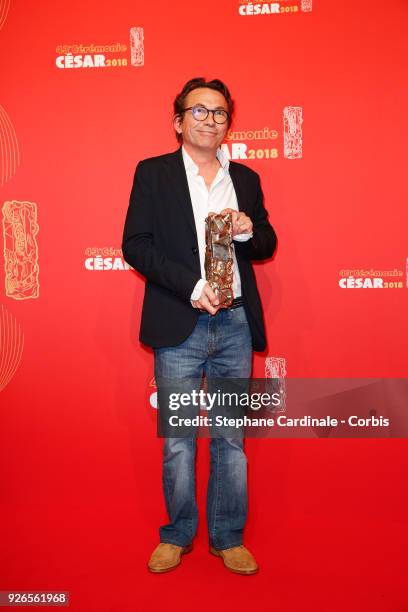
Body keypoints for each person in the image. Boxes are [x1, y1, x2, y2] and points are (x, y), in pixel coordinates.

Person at [122, 77, 277, 575]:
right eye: (199, 110)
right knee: (179, 438)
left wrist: (247, 227)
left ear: (229, 122)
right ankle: (178, 535)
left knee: (232, 437)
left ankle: (228, 537)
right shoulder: (153, 173)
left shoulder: (246, 178)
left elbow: (268, 242)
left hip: (234, 324)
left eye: (220, 112)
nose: (210, 119)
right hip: (179, 324)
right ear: (178, 121)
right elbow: (136, 244)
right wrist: (191, 285)